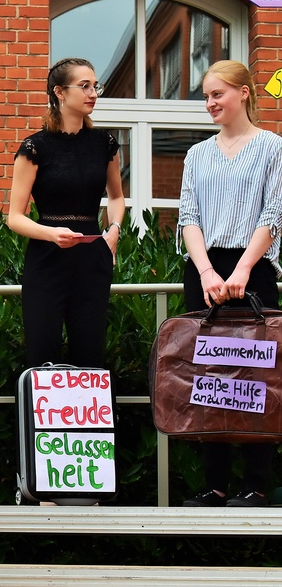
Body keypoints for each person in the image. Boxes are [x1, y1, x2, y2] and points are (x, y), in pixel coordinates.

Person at [178, 60, 282, 508]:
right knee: (209, 377)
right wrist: (206, 271)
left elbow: (273, 214)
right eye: (205, 96)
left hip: (253, 270)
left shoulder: (272, 147)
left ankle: (257, 485)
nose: (210, 103)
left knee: (257, 376)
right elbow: (188, 218)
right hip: (203, 272)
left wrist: (241, 271)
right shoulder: (196, 154)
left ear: (243, 93)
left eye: (217, 94)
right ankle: (215, 485)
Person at [7, 57, 125, 368]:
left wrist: (114, 231)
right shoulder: (35, 147)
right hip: (47, 258)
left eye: (95, 86)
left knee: (90, 353)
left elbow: (117, 198)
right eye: (84, 86)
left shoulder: (104, 143)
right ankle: (43, 418)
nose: (93, 93)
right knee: (42, 352)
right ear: (59, 92)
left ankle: (89, 419)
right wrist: (51, 234)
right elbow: (14, 217)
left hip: (92, 258)